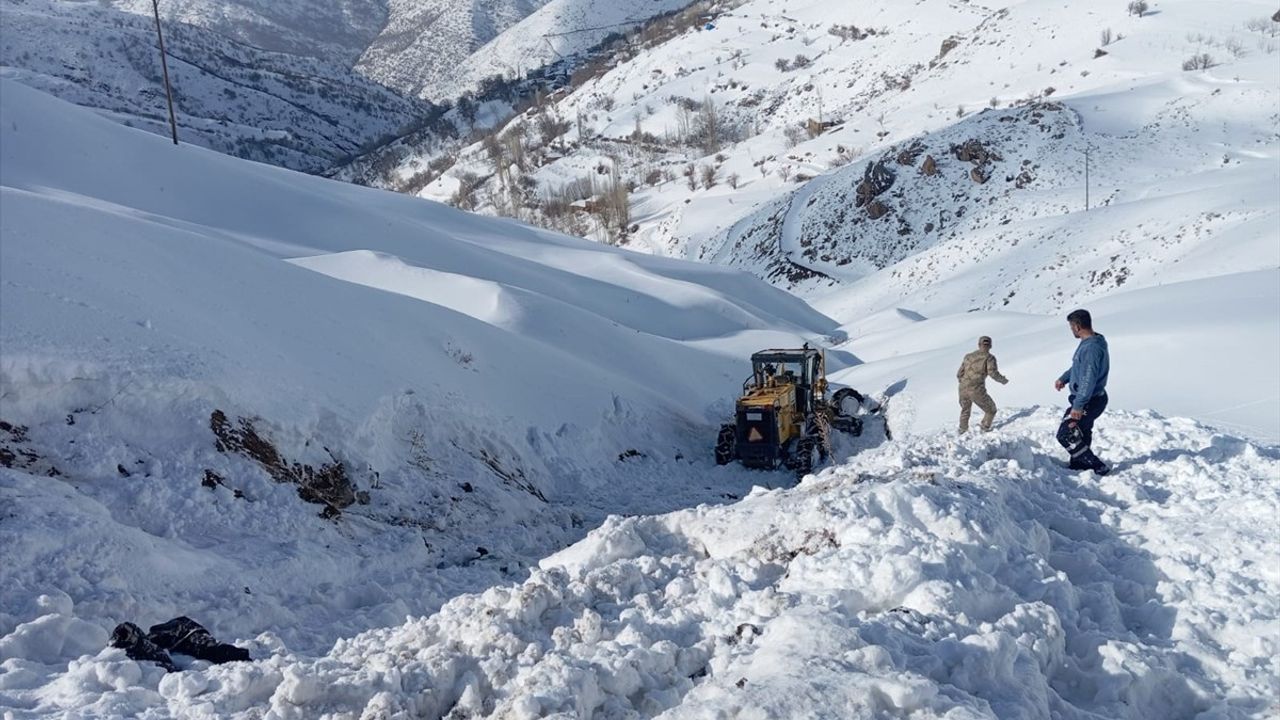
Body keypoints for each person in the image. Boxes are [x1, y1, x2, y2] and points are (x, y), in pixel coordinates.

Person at [1054, 309, 1110, 474]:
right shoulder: (1093, 341)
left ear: (1077, 326)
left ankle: (1097, 466)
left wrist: (1078, 406)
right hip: (1090, 398)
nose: (1071, 330)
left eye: (1071, 327)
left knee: (1065, 434)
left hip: (1089, 400)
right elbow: (1079, 367)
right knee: (1082, 432)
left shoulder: (1091, 348)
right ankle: (1080, 466)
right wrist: (1064, 378)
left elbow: (1088, 378)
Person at [956, 336, 1009, 432]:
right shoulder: (989, 358)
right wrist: (1003, 380)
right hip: (976, 389)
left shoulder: (968, 356)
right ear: (990, 345)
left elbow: (959, 374)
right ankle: (984, 428)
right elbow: (993, 373)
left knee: (965, 410)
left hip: (962, 388)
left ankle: (962, 430)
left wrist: (963, 382)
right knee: (991, 410)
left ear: (978, 344)